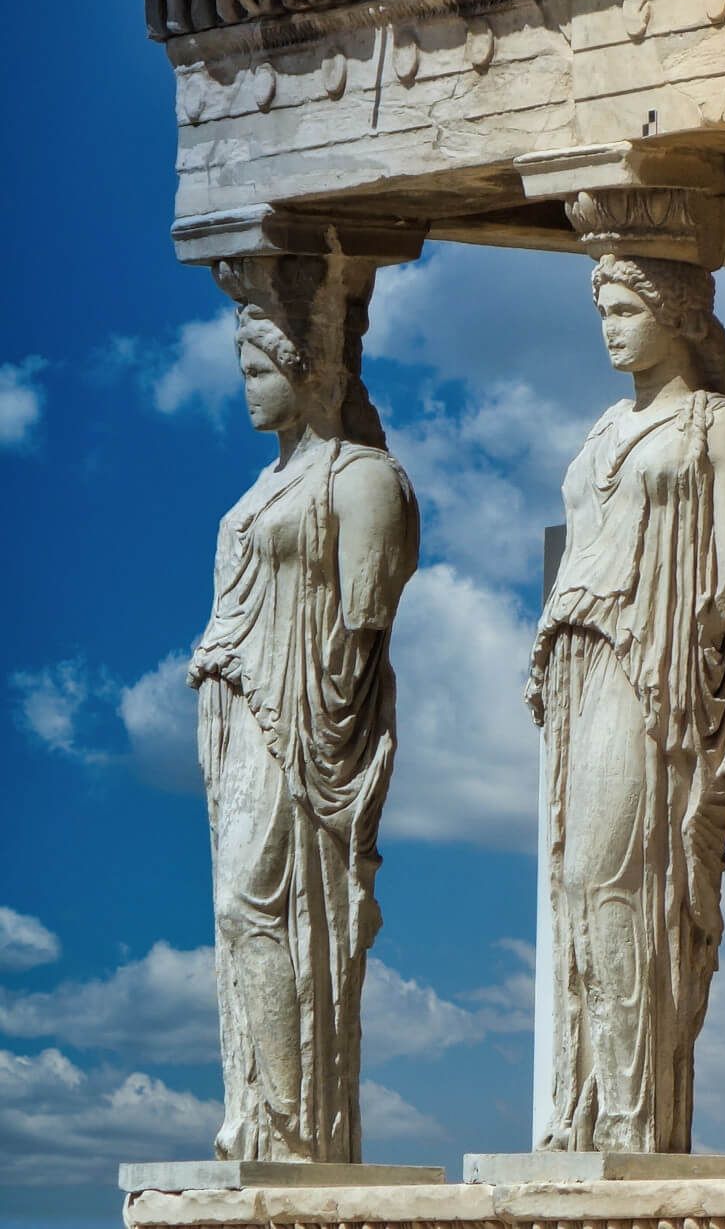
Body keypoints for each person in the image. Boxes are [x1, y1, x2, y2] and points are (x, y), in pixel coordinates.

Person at [528, 254, 725, 1153]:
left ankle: (638, 1117)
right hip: (581, 666)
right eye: (604, 310)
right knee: (574, 882)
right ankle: (586, 1106)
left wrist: (677, 633)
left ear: (677, 314)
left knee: (615, 876)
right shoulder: (601, 430)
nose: (612, 327)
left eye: (629, 308)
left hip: (659, 676)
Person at [191, 257, 418, 1162]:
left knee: (261, 905)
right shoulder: (259, 488)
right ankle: (261, 1114)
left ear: (308, 371)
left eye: (259, 371)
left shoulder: (363, 478)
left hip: (304, 728)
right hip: (242, 718)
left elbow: (362, 627)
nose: (246, 391)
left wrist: (315, 727)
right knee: (235, 910)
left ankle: (295, 1123)